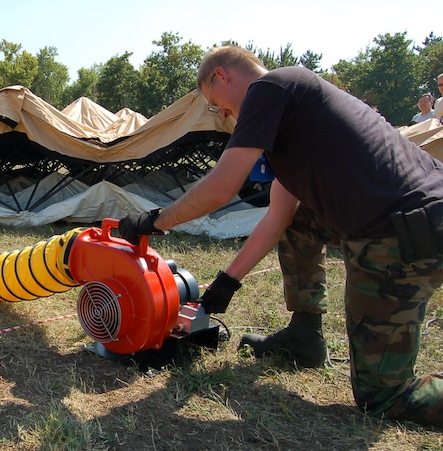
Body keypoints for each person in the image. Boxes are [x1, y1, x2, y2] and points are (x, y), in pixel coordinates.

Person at [119, 45, 443, 426]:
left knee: (383, 397)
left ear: (222, 75)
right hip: (409, 221)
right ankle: (306, 336)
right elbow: (279, 217)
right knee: (299, 221)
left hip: (404, 231)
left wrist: (155, 221)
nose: (224, 115)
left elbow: (222, 187)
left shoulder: (269, 88)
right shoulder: (293, 113)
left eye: (216, 104)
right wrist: (227, 282)